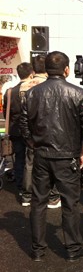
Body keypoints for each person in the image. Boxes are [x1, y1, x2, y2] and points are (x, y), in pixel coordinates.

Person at [20, 51, 83, 262]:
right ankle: (73, 248)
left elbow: (24, 125)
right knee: (70, 203)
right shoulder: (78, 93)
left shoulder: (32, 93)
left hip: (42, 154)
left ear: (46, 69)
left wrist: (33, 144)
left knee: (39, 202)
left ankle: (37, 249)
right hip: (67, 156)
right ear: (66, 69)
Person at [19, 54, 61, 209]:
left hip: (31, 131)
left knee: (29, 164)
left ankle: (27, 195)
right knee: (52, 165)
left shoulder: (23, 86)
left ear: (33, 69)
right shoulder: (51, 85)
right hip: (50, 131)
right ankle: (52, 196)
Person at [3, 62, 33, 201]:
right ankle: (30, 187)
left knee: (19, 159)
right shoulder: (34, 90)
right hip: (31, 130)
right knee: (31, 160)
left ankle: (21, 187)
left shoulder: (10, 92)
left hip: (15, 130)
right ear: (31, 73)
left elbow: (6, 113)